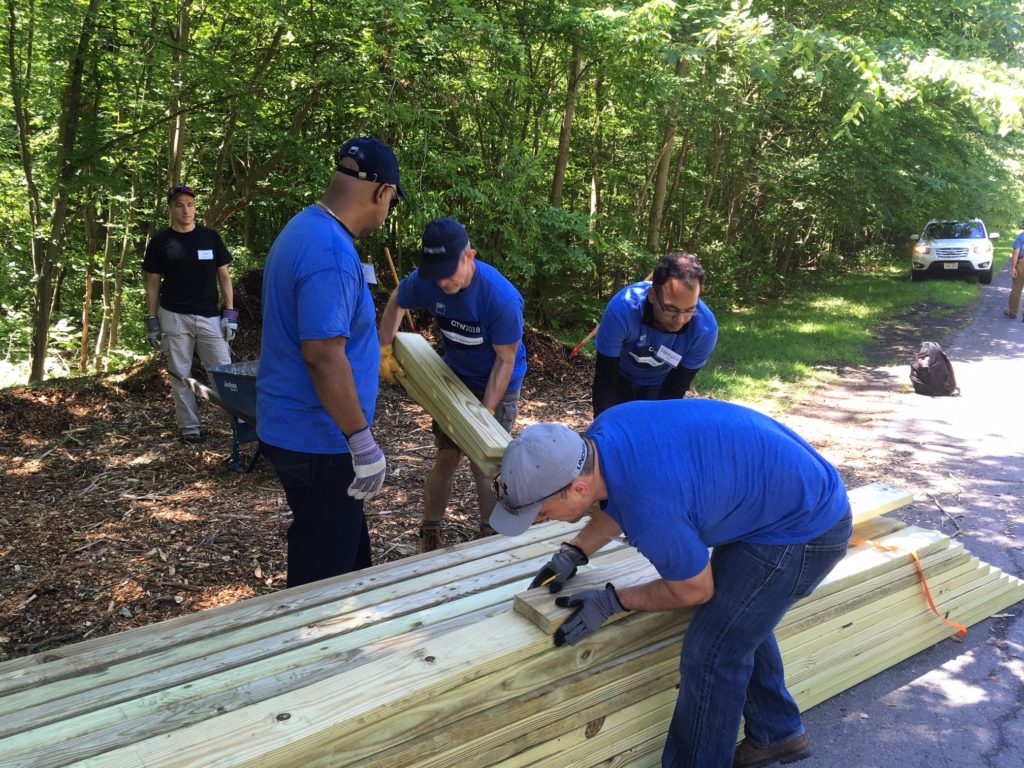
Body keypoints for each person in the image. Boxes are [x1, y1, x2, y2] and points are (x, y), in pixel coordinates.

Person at [489, 399, 852, 768]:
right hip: (780, 499)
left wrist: (612, 601)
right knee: (737, 617)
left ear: (577, 489)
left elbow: (694, 589)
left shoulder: (652, 510)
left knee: (711, 652)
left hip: (806, 529)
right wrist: (576, 550)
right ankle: (778, 734)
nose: (542, 521)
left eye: (544, 513)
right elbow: (620, 494)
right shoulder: (608, 431)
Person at [256, 136, 404, 588]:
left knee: (344, 550)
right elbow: (322, 355)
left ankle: (348, 633)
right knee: (322, 576)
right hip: (319, 440)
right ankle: (311, 648)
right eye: (391, 204)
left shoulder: (306, 227)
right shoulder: (331, 255)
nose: (386, 215)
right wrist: (360, 440)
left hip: (302, 432)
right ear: (382, 192)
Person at [378, 217, 527, 552]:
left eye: (449, 271)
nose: (443, 282)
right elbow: (396, 302)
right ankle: (430, 531)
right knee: (446, 457)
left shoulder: (500, 298)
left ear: (468, 256)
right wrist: (384, 349)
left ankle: (490, 533)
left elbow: (504, 361)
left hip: (496, 381)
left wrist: (486, 412)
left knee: (484, 460)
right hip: (453, 376)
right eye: (436, 274)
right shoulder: (427, 281)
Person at [143, 184, 238, 444]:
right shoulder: (161, 242)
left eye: (190, 204)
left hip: (209, 316)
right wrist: (151, 318)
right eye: (179, 205)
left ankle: (239, 423)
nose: (186, 210)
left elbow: (225, 276)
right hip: (173, 316)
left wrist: (229, 312)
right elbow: (153, 282)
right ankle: (190, 429)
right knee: (180, 374)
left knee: (224, 373)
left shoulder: (210, 237)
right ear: (170, 209)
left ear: (195, 207)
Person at [592, 252, 717, 416]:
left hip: (662, 383)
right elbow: (605, 379)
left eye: (689, 310)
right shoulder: (622, 310)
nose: (679, 320)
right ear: (652, 295)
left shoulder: (705, 330)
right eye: (671, 309)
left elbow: (676, 387)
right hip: (620, 375)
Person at [1003, 219, 1024, 320]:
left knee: (1016, 289)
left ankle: (1012, 311)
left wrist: (1013, 267)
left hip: (1022, 264)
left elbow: (1016, 252)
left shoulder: (1021, 236)